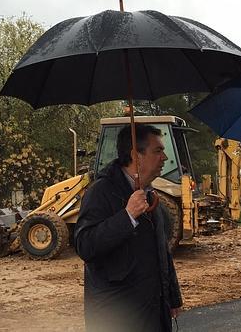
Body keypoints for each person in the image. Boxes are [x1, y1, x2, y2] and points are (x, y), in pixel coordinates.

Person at [74, 124, 183, 332]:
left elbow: (162, 251)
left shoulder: (150, 195)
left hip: (153, 313)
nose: (164, 157)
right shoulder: (101, 192)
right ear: (136, 155)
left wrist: (172, 296)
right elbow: (85, 245)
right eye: (157, 151)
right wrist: (127, 216)